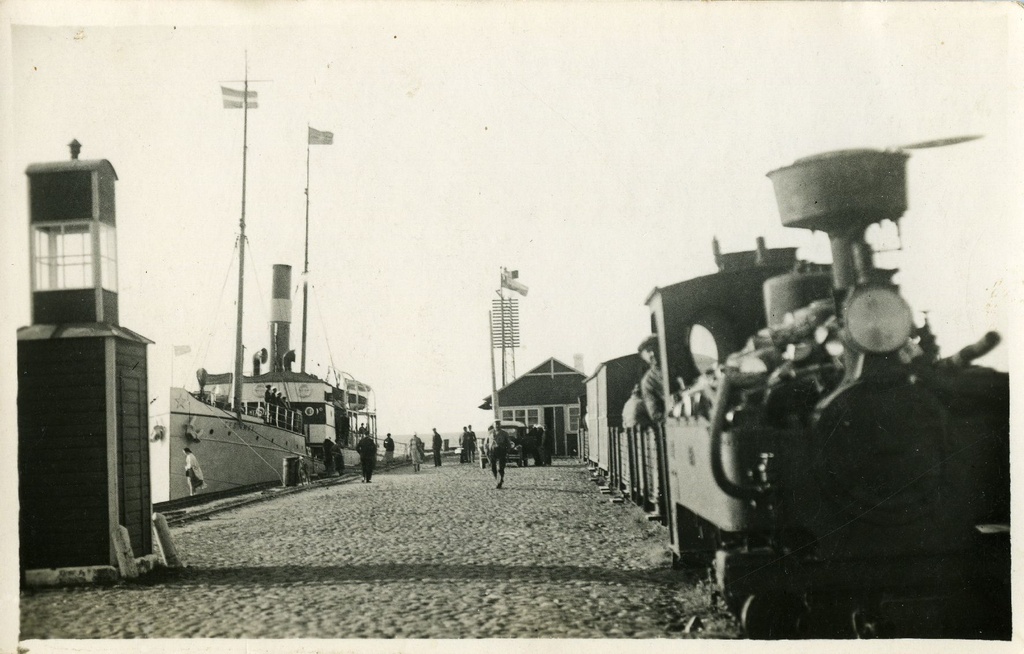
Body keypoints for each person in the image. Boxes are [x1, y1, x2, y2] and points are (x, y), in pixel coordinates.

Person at [638, 334, 665, 422]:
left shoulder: (678, 367)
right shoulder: (648, 381)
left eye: (655, 348)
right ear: (643, 357)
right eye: (648, 351)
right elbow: (655, 415)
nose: (653, 353)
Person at [489, 422, 512, 489]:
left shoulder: (504, 433)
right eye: (496, 424)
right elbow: (487, 442)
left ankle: (500, 481)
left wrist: (508, 451)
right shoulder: (490, 433)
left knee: (500, 468)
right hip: (493, 452)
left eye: (498, 424)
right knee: (493, 467)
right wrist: (487, 451)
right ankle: (497, 479)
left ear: (500, 425)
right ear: (493, 426)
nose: (497, 426)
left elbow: (508, 443)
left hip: (501, 451)